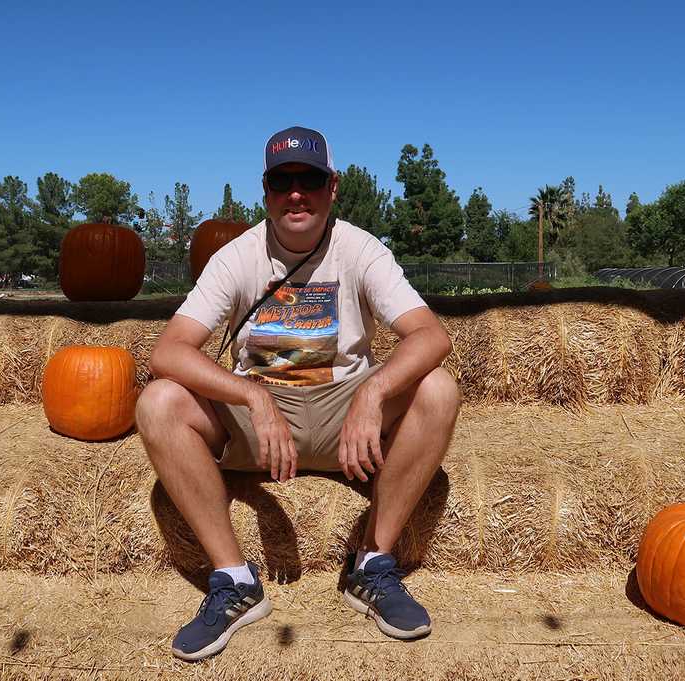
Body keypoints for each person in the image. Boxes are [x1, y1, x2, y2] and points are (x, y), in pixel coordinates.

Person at [136, 125, 459, 661]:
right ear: (264, 192)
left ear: (332, 187)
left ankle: (373, 566)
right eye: (280, 181)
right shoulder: (236, 256)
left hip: (344, 409)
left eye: (308, 179)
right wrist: (253, 397)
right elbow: (168, 352)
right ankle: (234, 579)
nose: (295, 193)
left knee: (438, 390)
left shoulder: (361, 250)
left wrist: (374, 392)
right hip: (256, 422)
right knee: (158, 401)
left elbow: (431, 335)